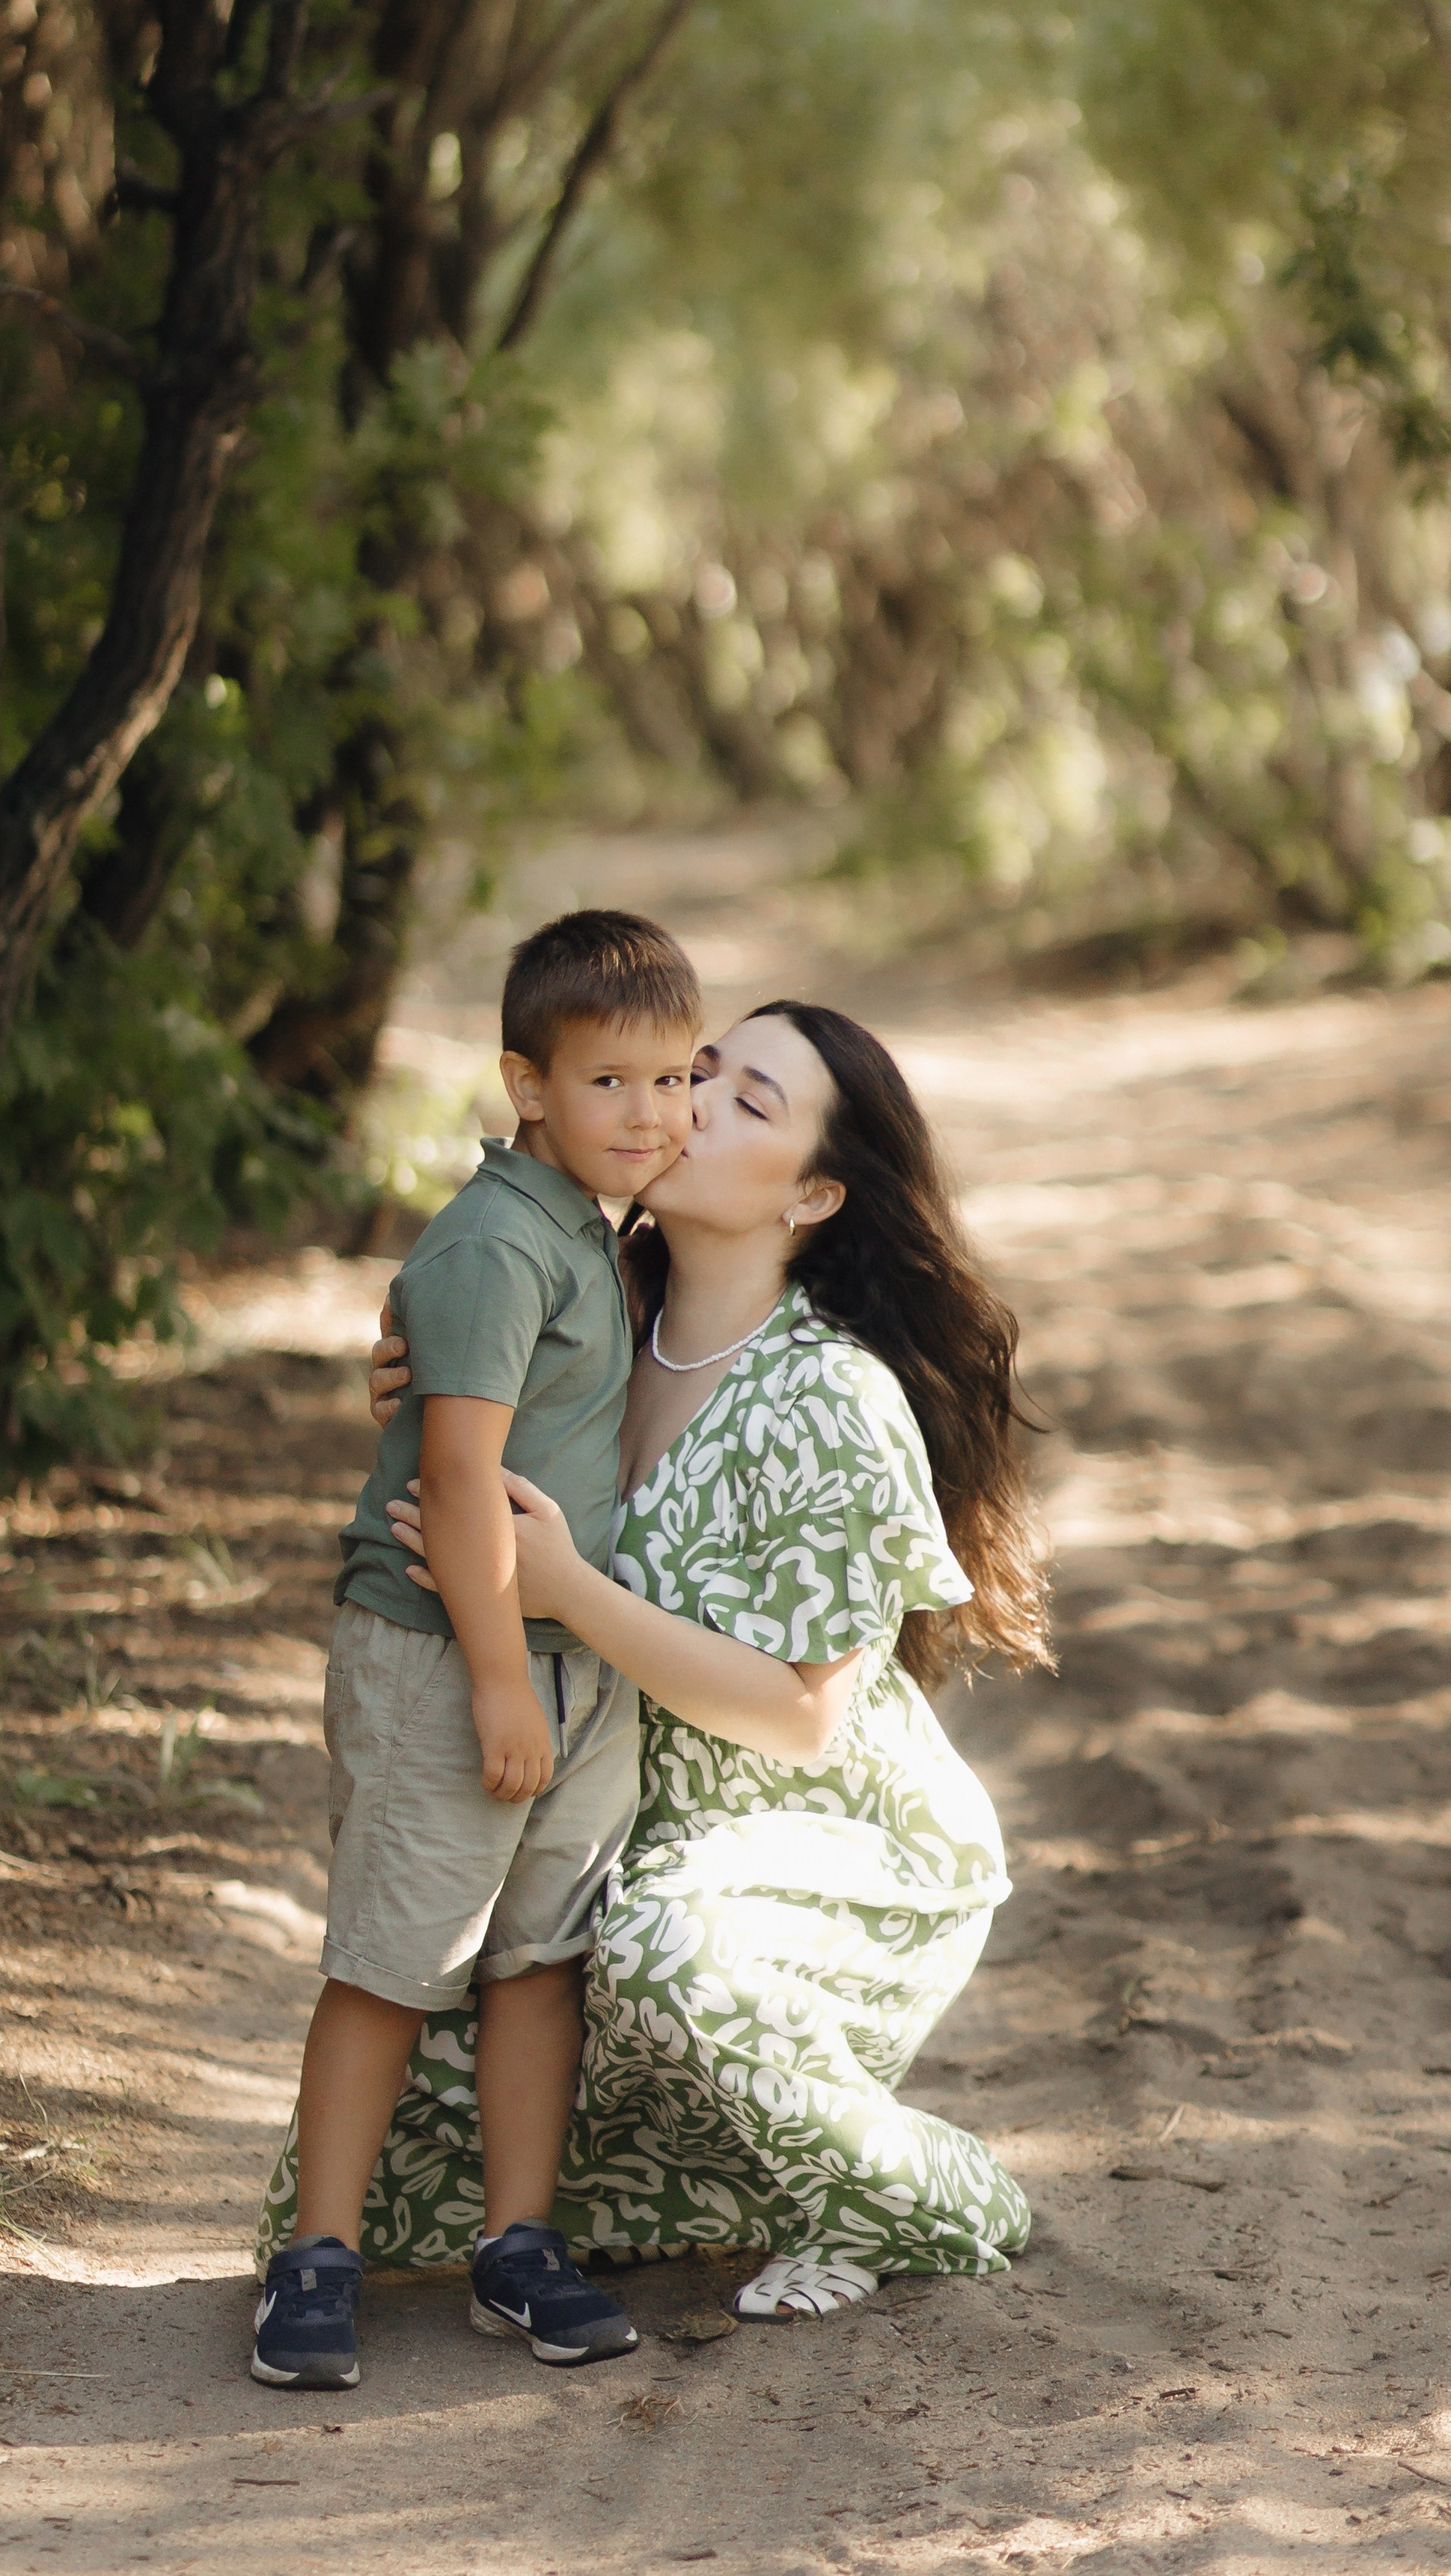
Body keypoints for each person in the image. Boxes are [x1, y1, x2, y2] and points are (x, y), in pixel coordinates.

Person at [257, 999, 1051, 2325]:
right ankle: (739, 2184)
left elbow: (805, 1722)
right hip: (607, 1815)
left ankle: (933, 2191)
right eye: (694, 1072)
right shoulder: (589, 1313)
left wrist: (566, 1589)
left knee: (659, 1951)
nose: (682, 1106)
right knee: (416, 2095)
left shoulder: (829, 1400)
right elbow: (457, 1461)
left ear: (813, 1194)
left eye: (745, 1103)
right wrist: (420, 1392)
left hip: (815, 1837)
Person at [248, 909, 702, 2390]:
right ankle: (315, 2259)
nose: (652, 1114)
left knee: (537, 1964)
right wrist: (500, 1678)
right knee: (393, 1959)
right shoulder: (495, 1244)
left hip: (575, 1663)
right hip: (453, 1659)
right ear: (525, 1087)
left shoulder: (589, 1227)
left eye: (676, 1078)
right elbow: (453, 1482)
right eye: (610, 1083)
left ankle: (515, 2247)